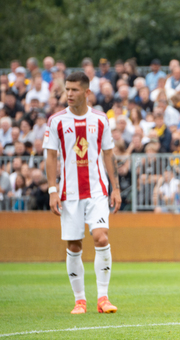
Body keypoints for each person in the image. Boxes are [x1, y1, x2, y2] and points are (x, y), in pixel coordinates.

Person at [43, 72, 121, 315]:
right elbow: (51, 156)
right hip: (69, 193)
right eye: (67, 89)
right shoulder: (56, 121)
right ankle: (80, 300)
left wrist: (115, 188)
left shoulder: (100, 120)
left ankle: (103, 298)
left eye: (74, 90)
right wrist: (52, 190)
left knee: (101, 237)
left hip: (97, 191)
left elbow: (108, 154)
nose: (69, 94)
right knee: (74, 245)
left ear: (87, 93)